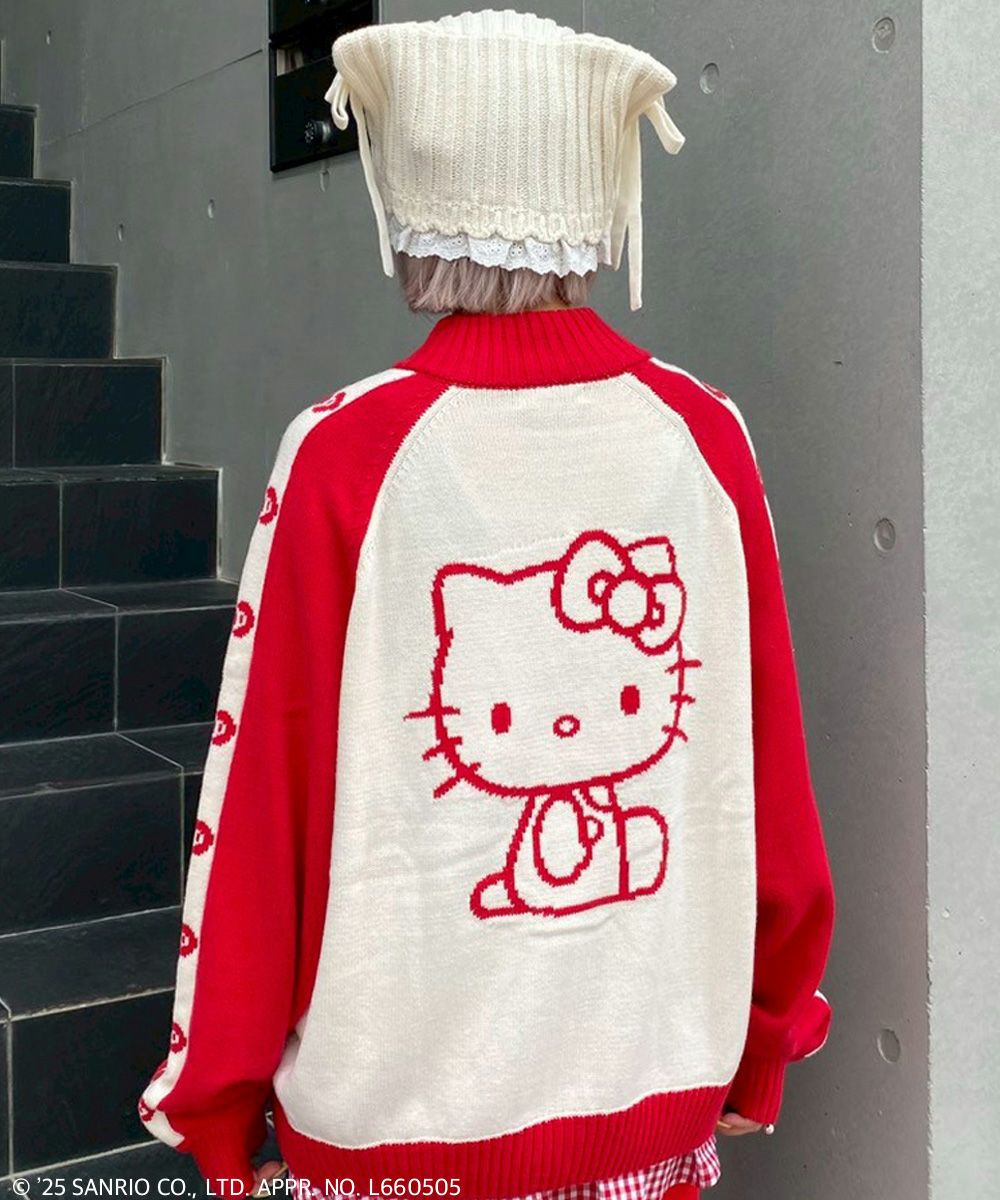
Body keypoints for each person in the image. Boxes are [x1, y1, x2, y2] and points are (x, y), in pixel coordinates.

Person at [138, 11, 836, 1200]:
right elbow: (764, 774)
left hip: (393, 1139)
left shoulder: (343, 453)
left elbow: (263, 808)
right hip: (653, 1107)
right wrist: (764, 1037)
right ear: (593, 203)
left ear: (417, 204)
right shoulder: (704, 437)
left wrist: (218, 1101)